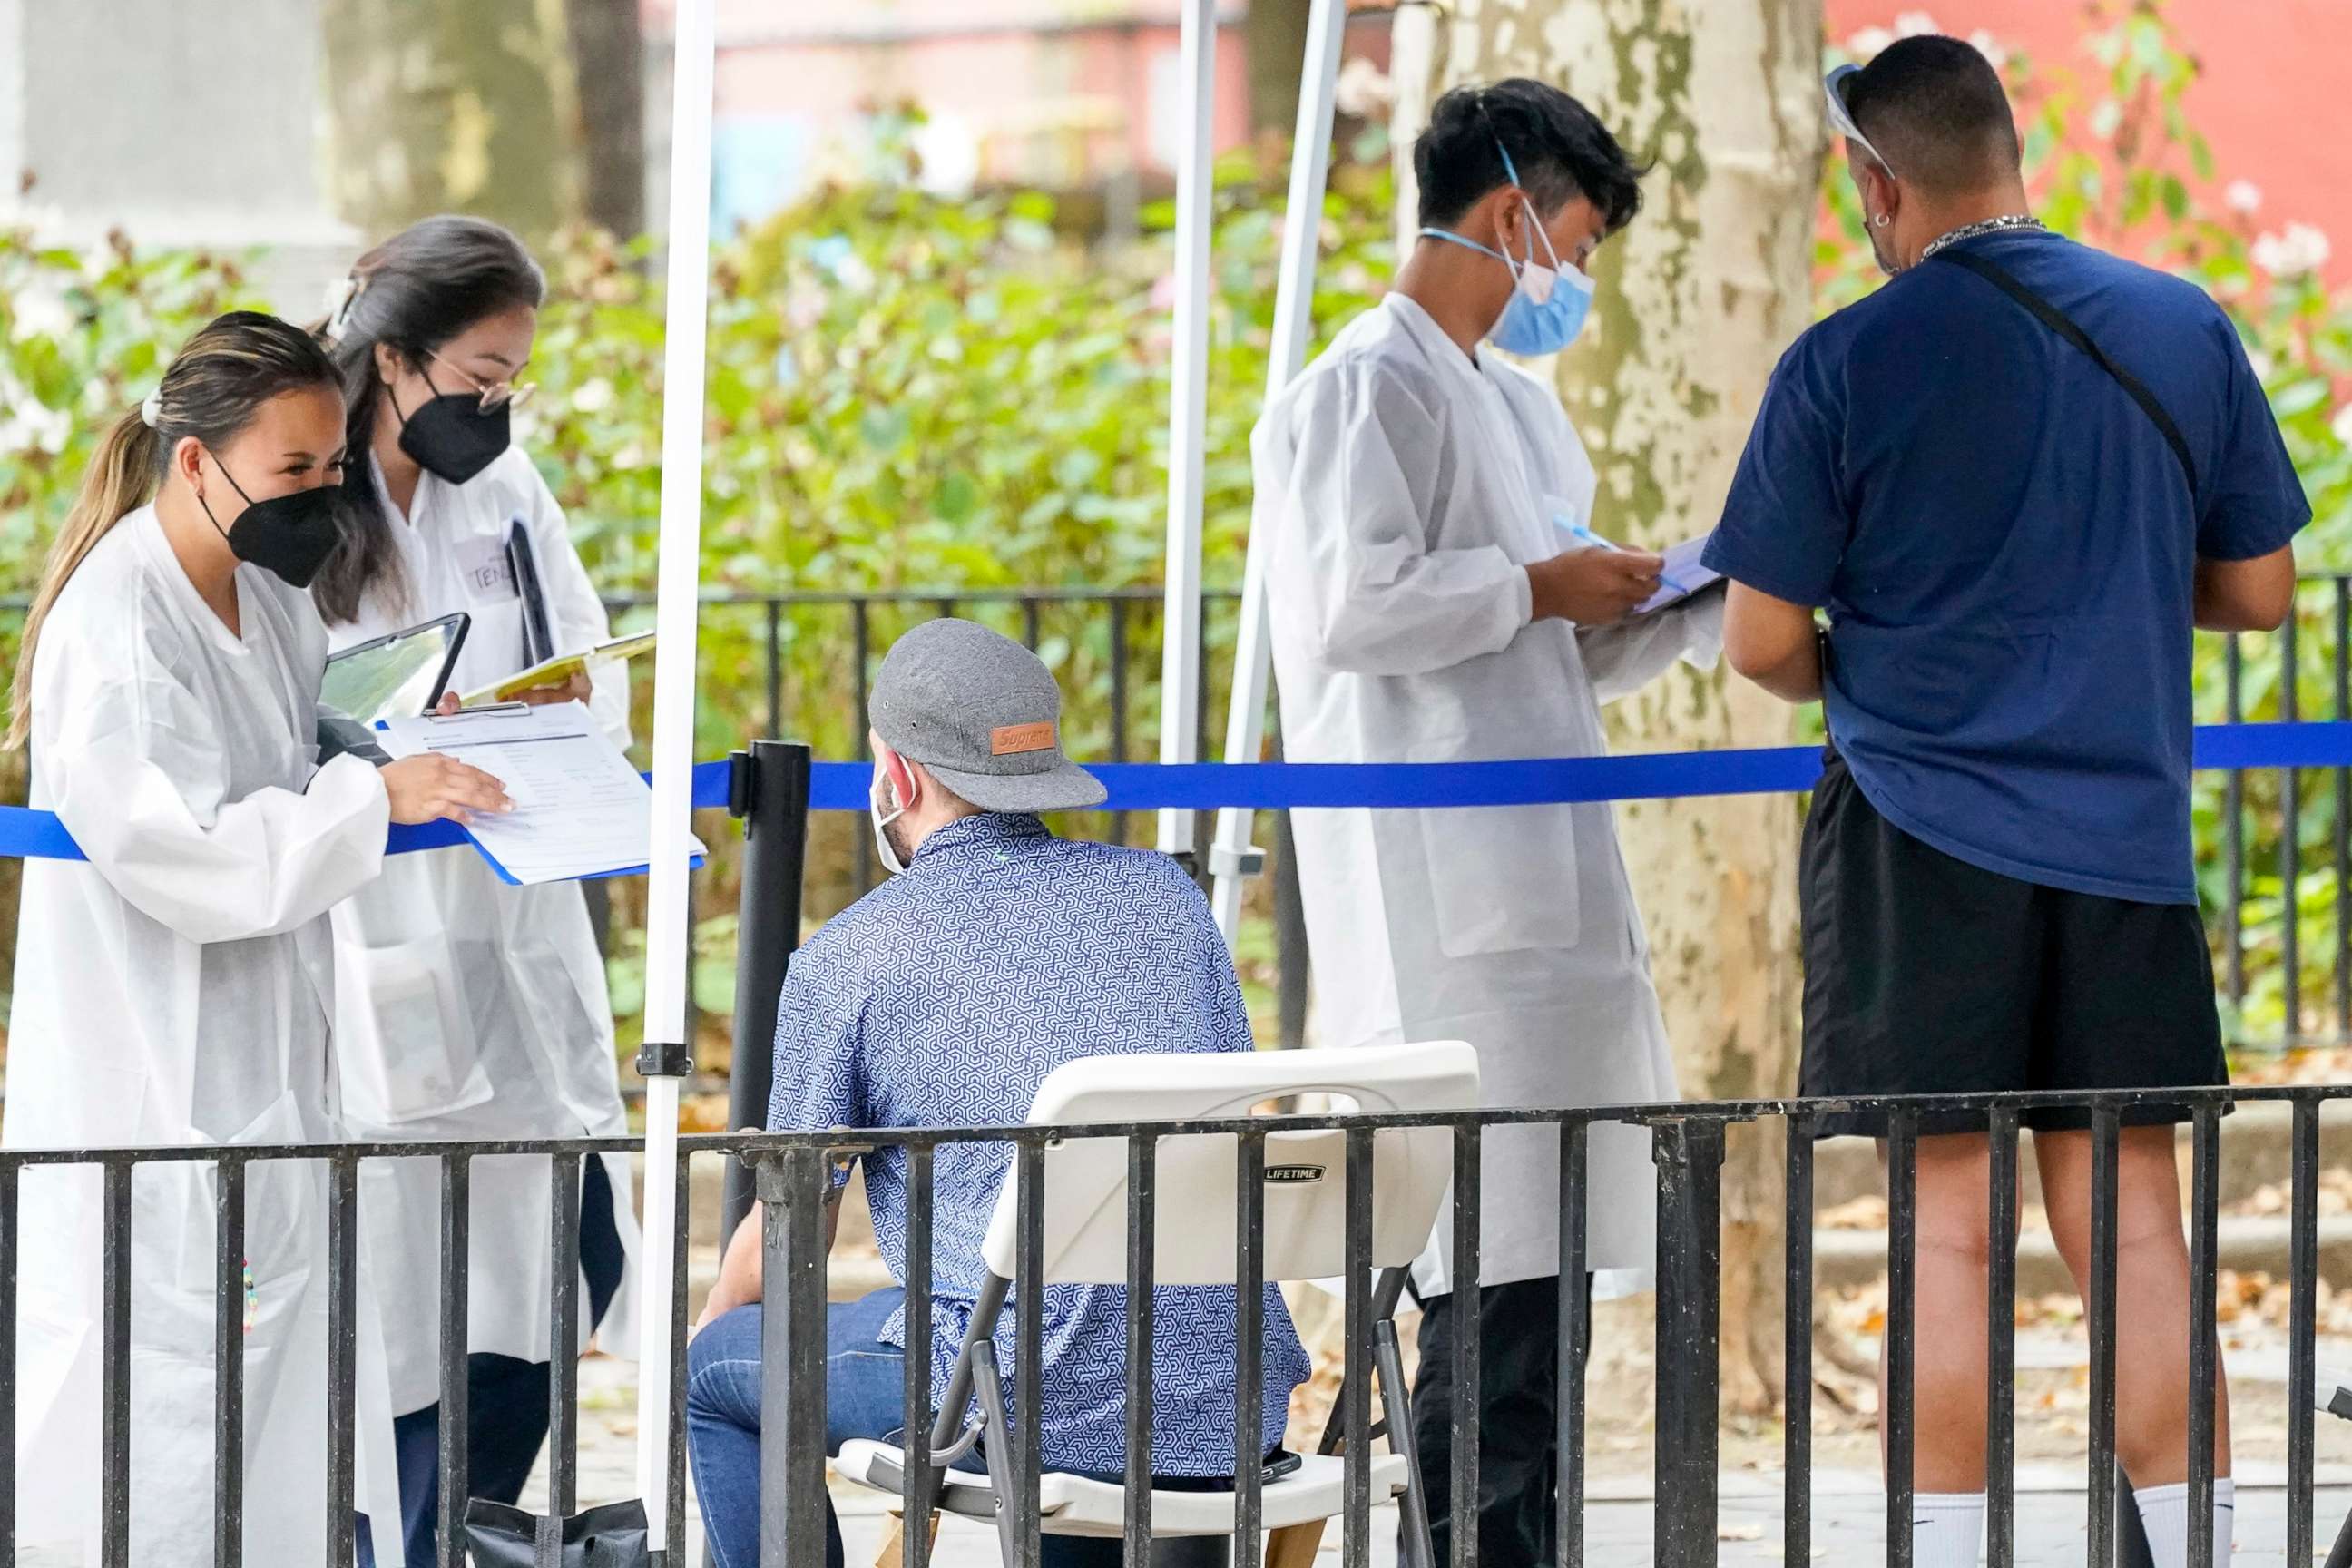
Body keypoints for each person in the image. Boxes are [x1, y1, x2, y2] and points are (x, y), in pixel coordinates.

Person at [1704, 37, 2308, 1568]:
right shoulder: (2181, 324)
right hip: (2123, 847)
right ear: (2007, 151)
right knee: (2137, 1232)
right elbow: (2257, 586)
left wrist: (1893, 649)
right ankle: (2196, 1546)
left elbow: (1761, 639)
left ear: (1874, 181)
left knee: (1948, 1236)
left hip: (1919, 842)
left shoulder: (1842, 361)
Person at [1253, 78, 1719, 1563]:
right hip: (1447, 920)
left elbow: (1548, 640)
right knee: (1485, 1296)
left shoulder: (1514, 404)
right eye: (1572, 246)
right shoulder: (1359, 386)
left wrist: (1663, 594)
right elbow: (1349, 609)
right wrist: (1532, 585)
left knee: (1547, 1296)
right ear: (1513, 213)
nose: (1568, 284)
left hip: (1546, 913)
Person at [4, 311, 509, 1566]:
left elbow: (296, 763)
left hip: (270, 1079)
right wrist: (368, 801)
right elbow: (185, 856)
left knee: (278, 1425)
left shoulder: (271, 599)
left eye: (332, 469)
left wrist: (389, 761)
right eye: (292, 472)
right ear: (193, 461)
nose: (321, 497)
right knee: (154, 1434)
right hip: (156, 1094)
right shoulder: (119, 633)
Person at [684, 619, 1311, 1568]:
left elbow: (789, 1230)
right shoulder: (1170, 902)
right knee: (1093, 1351)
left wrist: (721, 1319)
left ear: (898, 777)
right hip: (1227, 1395)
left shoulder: (852, 957)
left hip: (1015, 1399)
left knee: (719, 1374)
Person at [313, 214, 640, 1563]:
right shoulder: (303, 495)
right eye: (476, 380)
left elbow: (589, 663)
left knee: (538, 1237)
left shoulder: (508, 496)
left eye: (512, 383)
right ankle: (389, 1526)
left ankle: (476, 1522)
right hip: (374, 910)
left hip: (516, 892)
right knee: (394, 1255)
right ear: (392, 359)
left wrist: (557, 706)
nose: (494, 409)